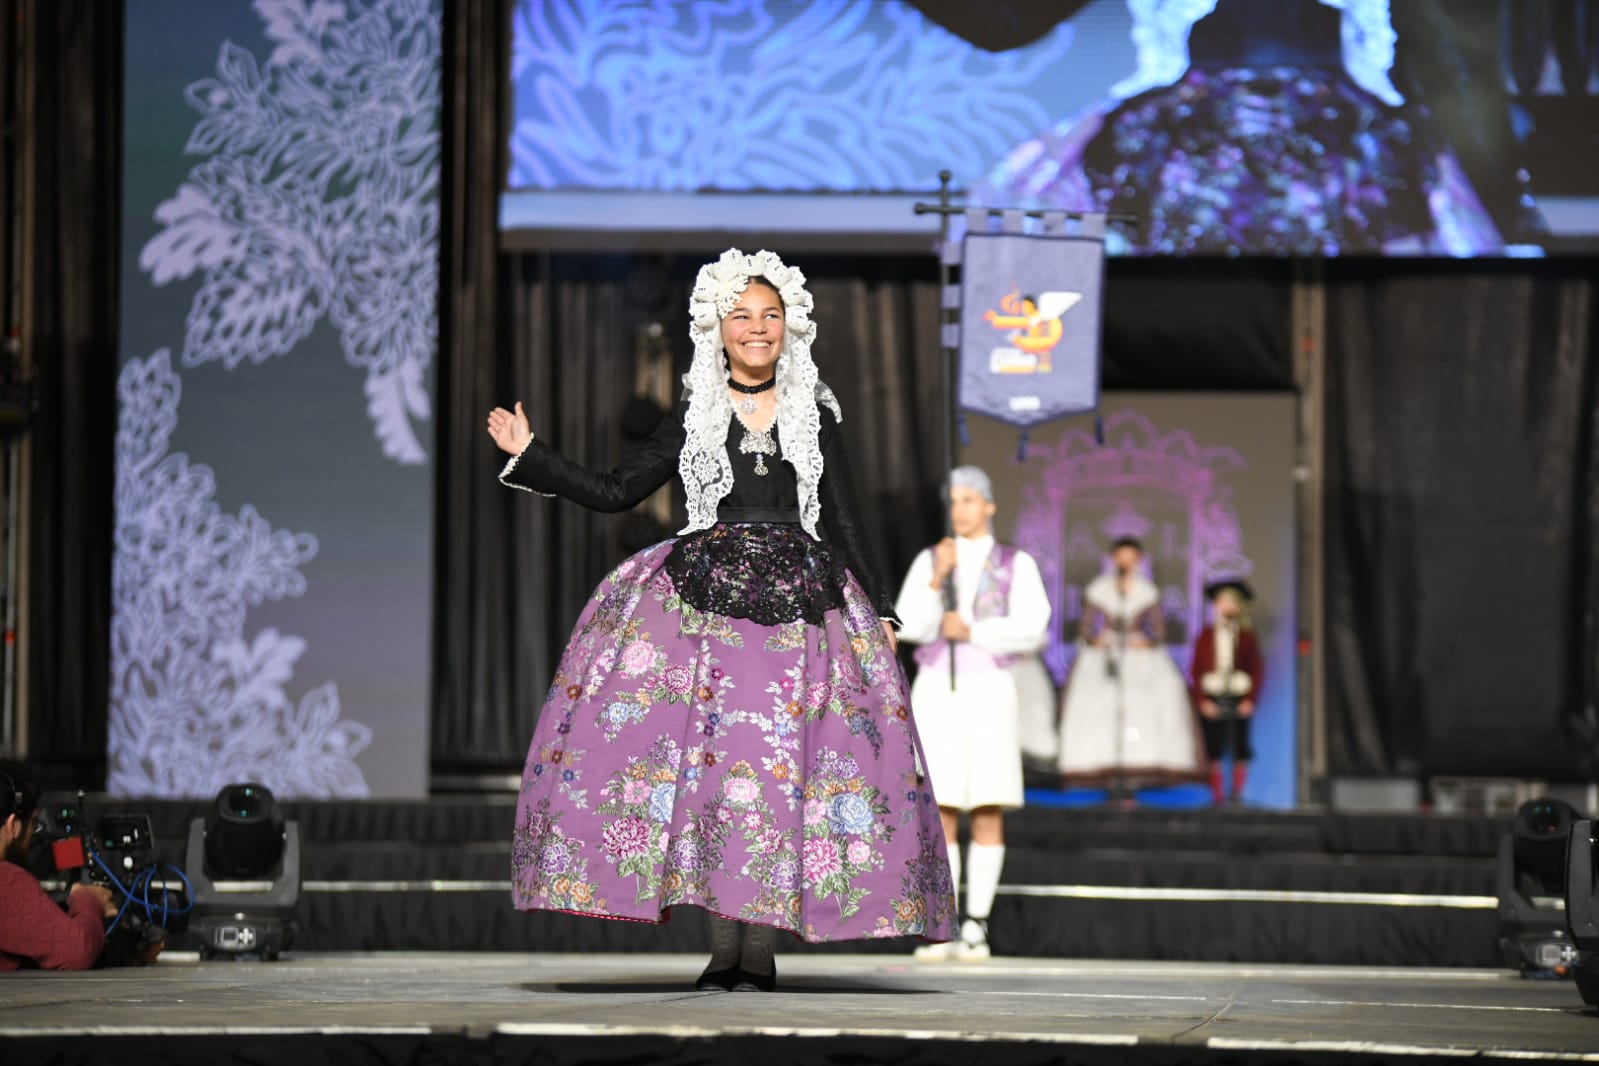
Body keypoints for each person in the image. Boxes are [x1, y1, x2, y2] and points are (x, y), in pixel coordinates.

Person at [487, 249, 953, 992]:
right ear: (717, 328)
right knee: (712, 781)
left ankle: (757, 954)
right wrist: (533, 456)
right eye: (742, 316)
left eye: (769, 316)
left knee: (777, 779)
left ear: (789, 326)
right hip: (702, 613)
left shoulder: (814, 413)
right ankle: (723, 950)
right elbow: (616, 490)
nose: (757, 328)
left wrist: (883, 607)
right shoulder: (695, 413)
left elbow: (845, 517)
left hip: (803, 611)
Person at [893, 467, 1050, 960]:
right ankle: (942, 918)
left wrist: (975, 632)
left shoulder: (1015, 562)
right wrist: (937, 577)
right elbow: (911, 626)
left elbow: (1033, 629)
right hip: (939, 685)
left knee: (986, 800)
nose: (960, 508)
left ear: (988, 506)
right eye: (954, 500)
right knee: (940, 808)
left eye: (969, 499)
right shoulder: (932, 558)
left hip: (989, 687)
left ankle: (977, 922)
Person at [1057, 537, 1200, 790]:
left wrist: (1144, 642)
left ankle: (1139, 765)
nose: (1126, 562)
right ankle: (1100, 764)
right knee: (1099, 706)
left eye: (1132, 558)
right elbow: (1087, 626)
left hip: (1138, 656)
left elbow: (1158, 631)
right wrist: (1095, 639)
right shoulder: (1100, 588)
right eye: (1122, 557)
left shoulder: (1146, 590)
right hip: (1105, 654)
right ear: (1113, 558)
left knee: (1144, 705)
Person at [0, 759, 118, 971]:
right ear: (13, 826)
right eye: (33, 825)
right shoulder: (6, 880)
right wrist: (89, 901)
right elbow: (75, 951)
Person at [1190, 580, 1263, 806]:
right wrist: (1202, 701)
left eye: (1231, 602)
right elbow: (1196, 671)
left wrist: (1250, 700)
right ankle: (1217, 797)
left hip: (1238, 695)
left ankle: (1237, 795)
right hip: (1213, 695)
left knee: (1240, 746)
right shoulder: (1206, 635)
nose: (1226, 606)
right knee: (1214, 747)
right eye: (1222, 602)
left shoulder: (1246, 636)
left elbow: (1257, 669)